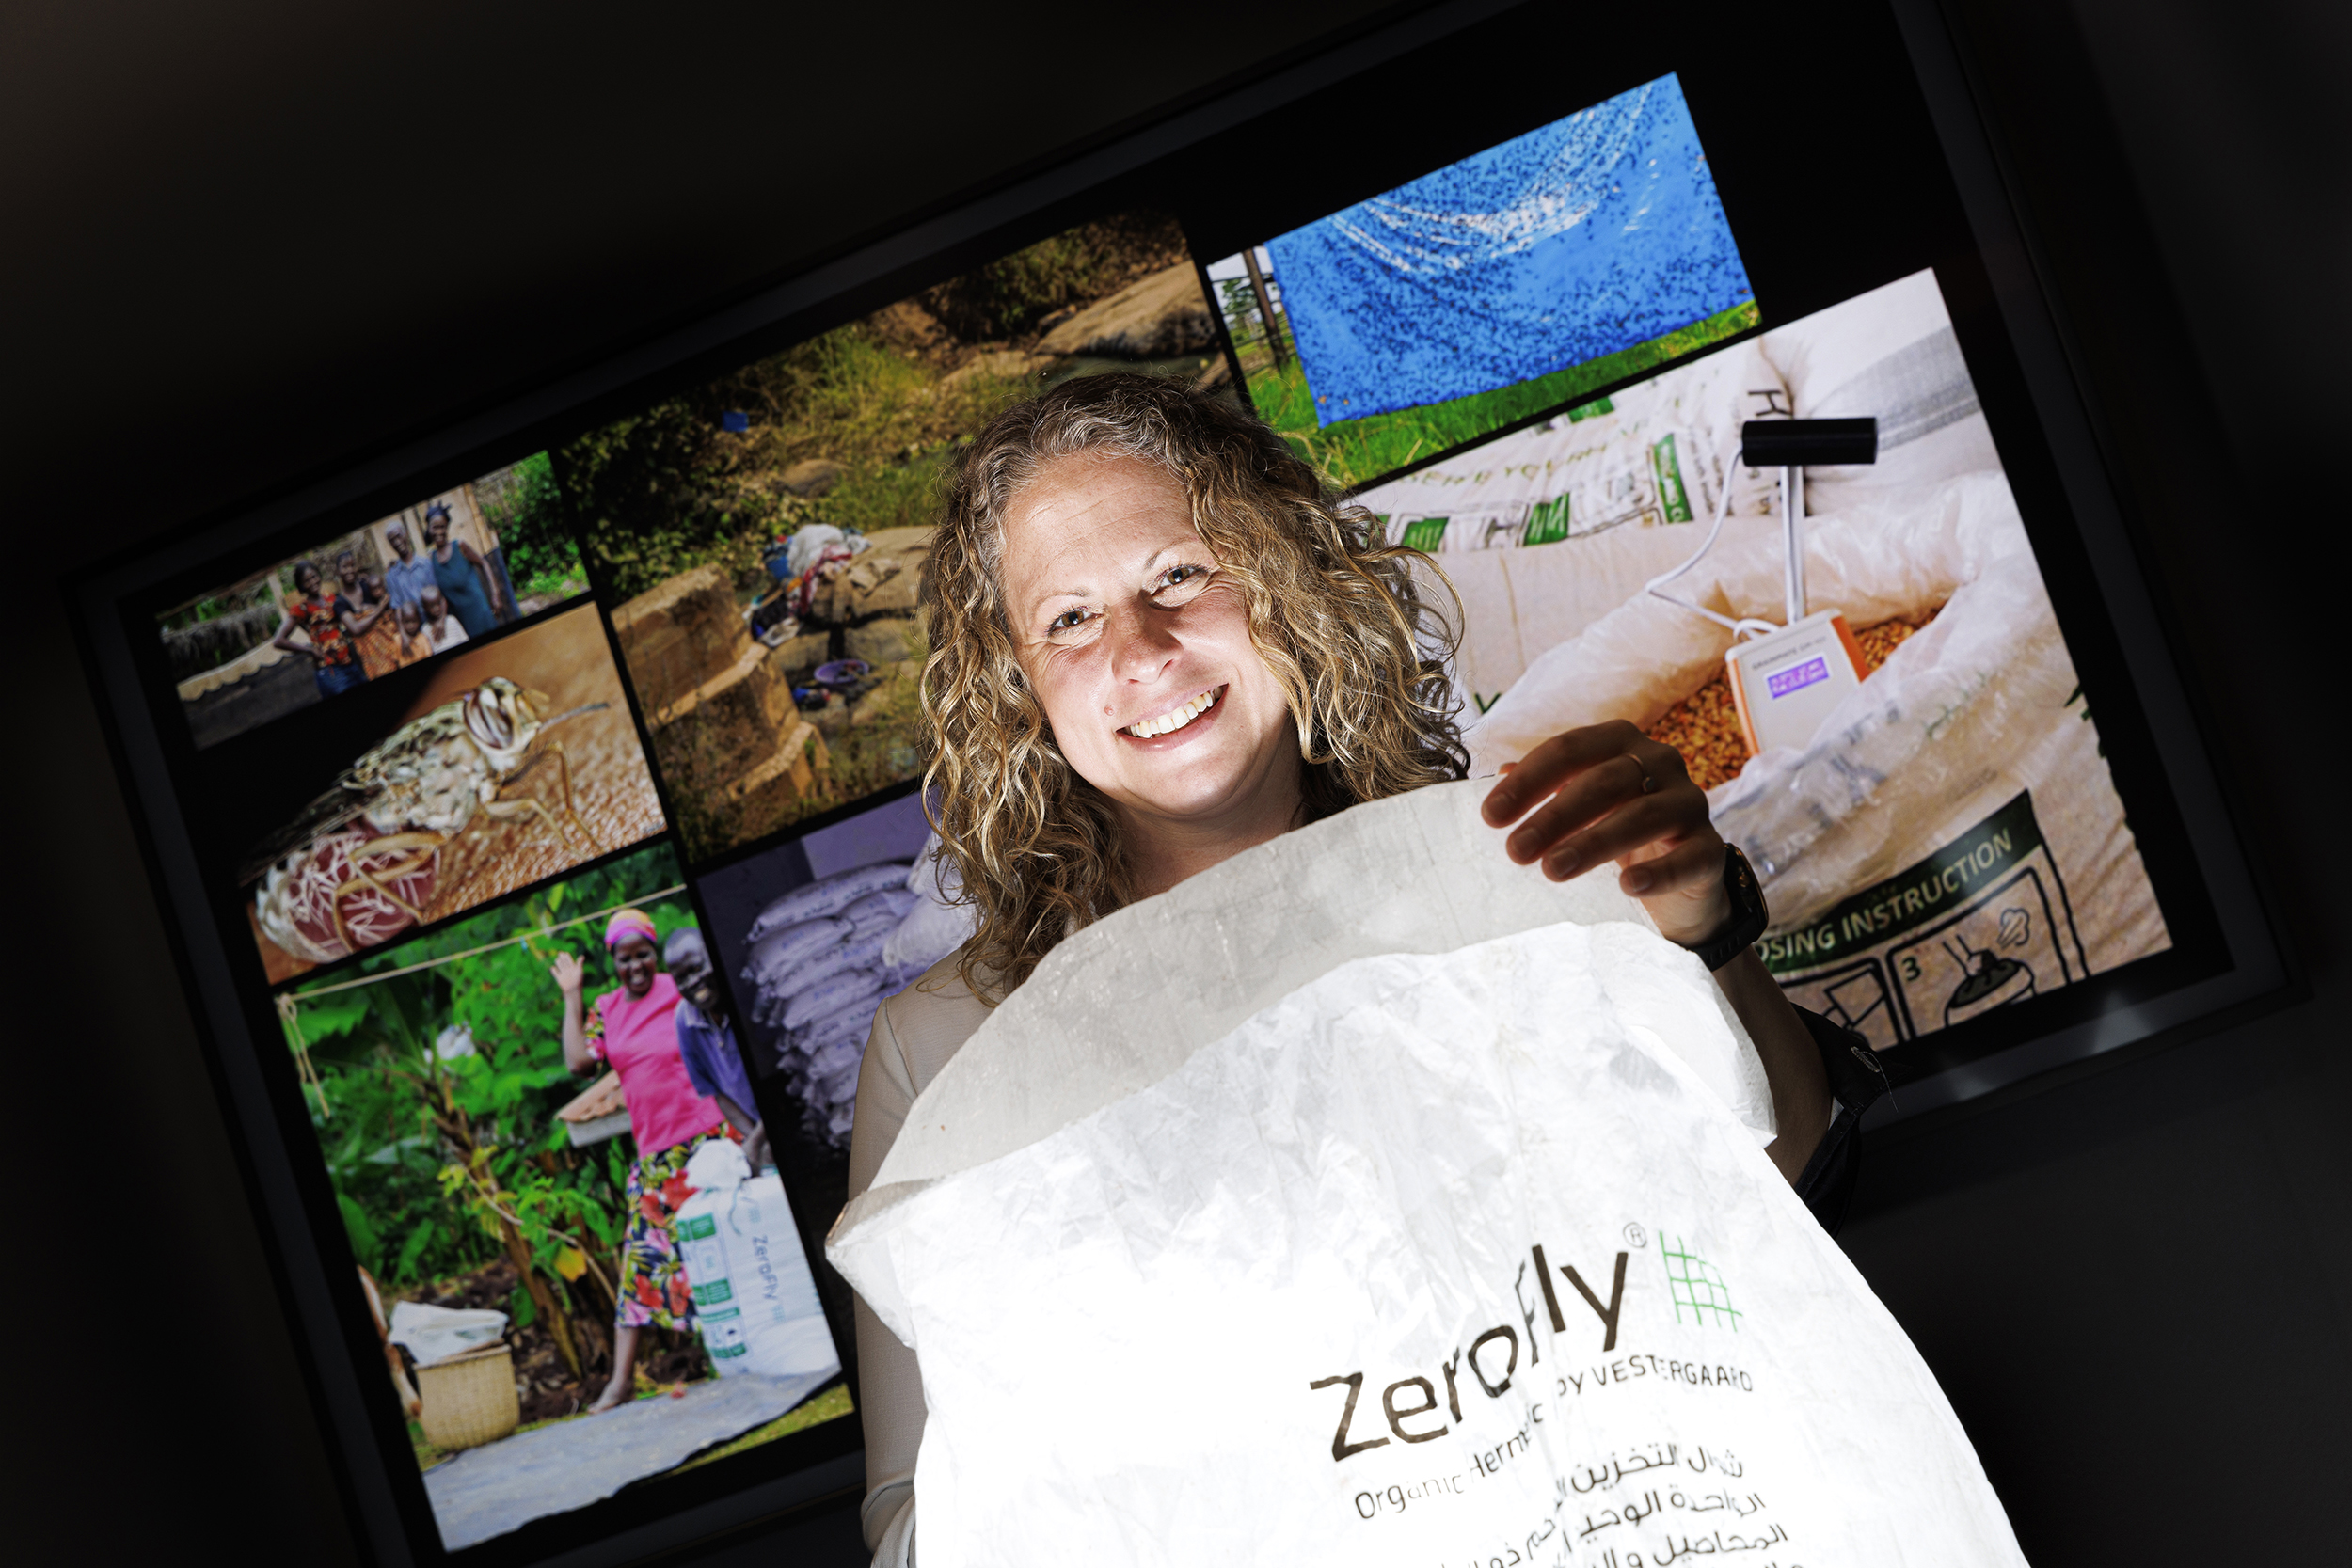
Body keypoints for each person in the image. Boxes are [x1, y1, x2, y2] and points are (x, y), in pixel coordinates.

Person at [847, 374, 1878, 1566]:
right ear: (1015, 687)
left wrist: (1700, 924)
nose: (1138, 649)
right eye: (1068, 620)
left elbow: (1789, 1173)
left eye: (1180, 575)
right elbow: (914, 1527)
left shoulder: (1514, 867)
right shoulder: (946, 1052)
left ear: (1285, 586)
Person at [554, 908, 740, 1414]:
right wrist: (572, 994)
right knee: (643, 1264)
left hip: (708, 1139)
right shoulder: (607, 1007)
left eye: (643, 955)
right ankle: (620, 1383)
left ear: (653, 955)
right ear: (612, 960)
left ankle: (738, 1349)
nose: (635, 965)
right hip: (657, 1158)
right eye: (624, 957)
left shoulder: (677, 986)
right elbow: (576, 1062)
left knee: (728, 1242)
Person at [662, 929, 771, 1176]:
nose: (692, 983)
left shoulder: (748, 997)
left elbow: (780, 1078)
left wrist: (757, 1141)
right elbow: (715, 1091)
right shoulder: (685, 1019)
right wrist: (754, 1137)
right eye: (681, 979)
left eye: (696, 969)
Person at [270, 559, 368, 698]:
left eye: (314, 576)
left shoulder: (330, 598)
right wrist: (309, 649)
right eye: (307, 580)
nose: (313, 582)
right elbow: (278, 640)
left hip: (349, 662)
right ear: (301, 585)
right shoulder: (301, 608)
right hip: (330, 670)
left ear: (319, 576)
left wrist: (361, 582)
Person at [424, 499, 504, 638]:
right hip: (459, 620)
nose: (439, 532)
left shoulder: (459, 546)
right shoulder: (431, 559)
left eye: (442, 527)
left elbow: (483, 563)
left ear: (447, 527)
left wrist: (495, 594)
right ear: (429, 529)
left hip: (480, 612)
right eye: (435, 527)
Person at [338, 558, 402, 680]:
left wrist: (378, 608)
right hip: (373, 655)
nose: (349, 570)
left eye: (352, 565)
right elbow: (356, 629)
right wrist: (379, 608)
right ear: (338, 571)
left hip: (392, 639)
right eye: (344, 567)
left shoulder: (366, 586)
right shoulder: (340, 602)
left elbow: (388, 606)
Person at [381, 518, 437, 610]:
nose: (397, 542)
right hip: (412, 624)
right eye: (392, 540)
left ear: (406, 534)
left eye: (398, 536)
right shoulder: (391, 576)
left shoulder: (426, 564)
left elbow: (437, 594)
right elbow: (397, 607)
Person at [419, 587, 469, 653]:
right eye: (432, 606)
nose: (436, 608)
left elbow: (464, 638)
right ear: (425, 608)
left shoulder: (451, 620)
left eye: (438, 604)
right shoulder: (425, 629)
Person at [393, 601, 434, 665]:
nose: (411, 626)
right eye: (407, 622)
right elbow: (396, 661)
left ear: (419, 620)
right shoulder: (397, 639)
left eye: (414, 621)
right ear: (402, 622)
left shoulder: (423, 639)